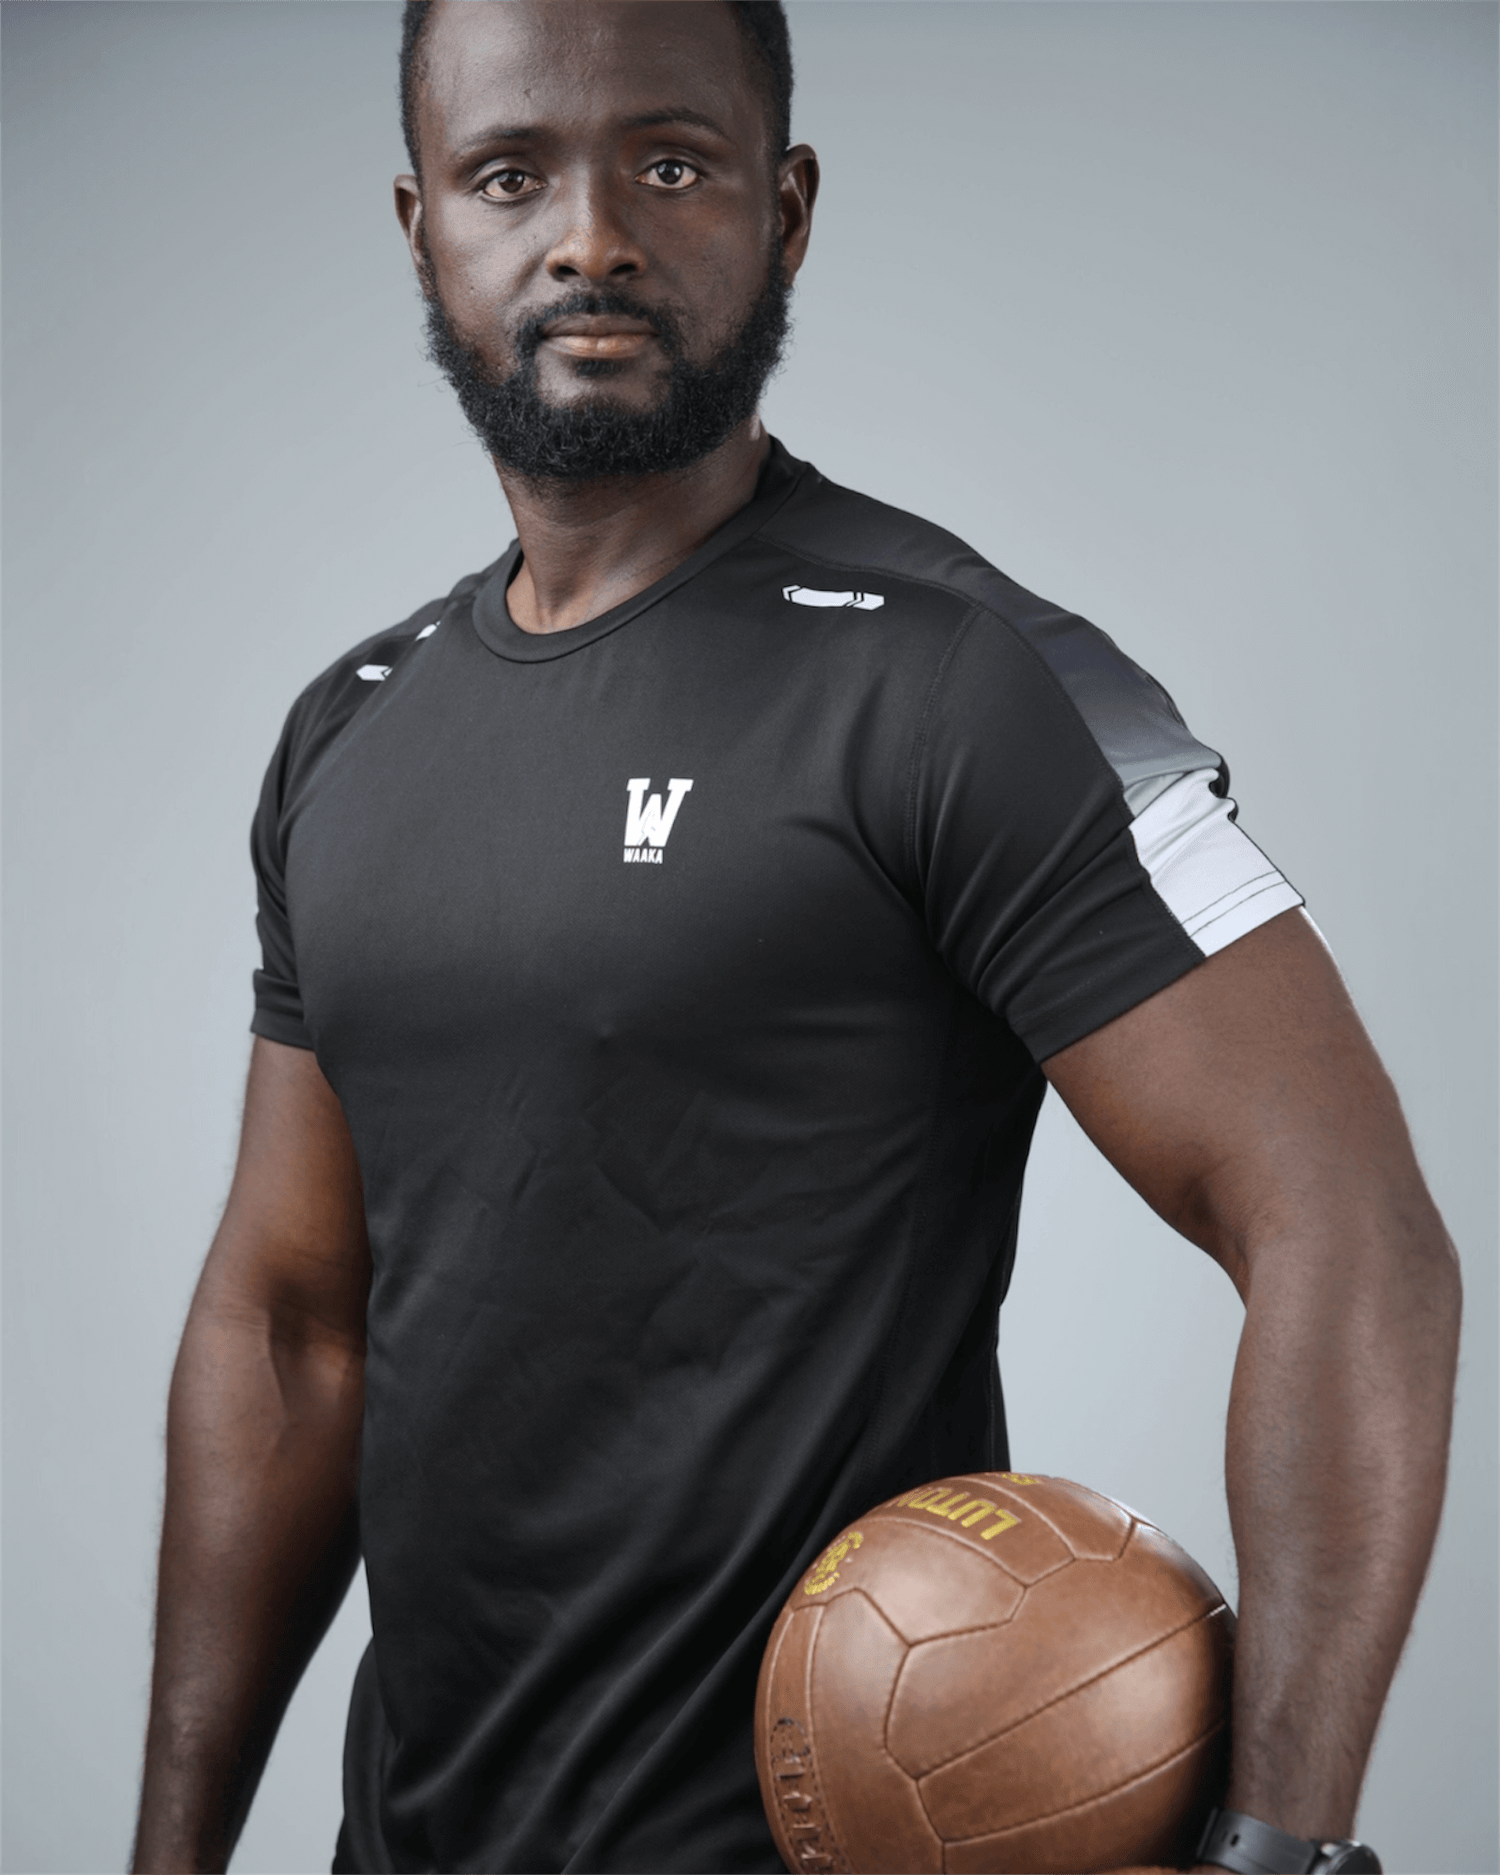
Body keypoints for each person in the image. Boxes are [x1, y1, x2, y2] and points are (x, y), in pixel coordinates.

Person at [131, 3, 1462, 1872]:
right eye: (510, 176)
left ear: (787, 209)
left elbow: (1350, 1226)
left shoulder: (963, 678)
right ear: (423, 226)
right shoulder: (350, 729)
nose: (590, 239)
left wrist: (1283, 1849)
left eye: (670, 164)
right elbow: (291, 1324)